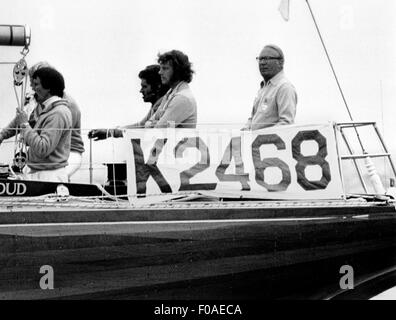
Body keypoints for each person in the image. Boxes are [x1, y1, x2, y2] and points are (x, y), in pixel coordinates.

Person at [0, 61, 84, 181]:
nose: (32, 89)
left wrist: (26, 127)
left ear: (48, 83)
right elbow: (22, 119)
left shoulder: (63, 107)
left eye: (35, 83)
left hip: (69, 151)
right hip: (43, 151)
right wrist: (2, 135)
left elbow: (49, 140)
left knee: (58, 178)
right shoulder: (41, 101)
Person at [13, 67, 72, 182]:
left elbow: (43, 148)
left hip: (49, 176)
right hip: (42, 173)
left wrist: (25, 124)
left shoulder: (58, 113)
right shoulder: (49, 110)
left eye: (36, 84)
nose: (33, 88)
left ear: (48, 88)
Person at [88, 64, 169, 140]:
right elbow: (140, 126)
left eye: (144, 86)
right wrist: (109, 132)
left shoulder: (163, 107)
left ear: (158, 86)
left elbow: (144, 132)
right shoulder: (156, 106)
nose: (141, 91)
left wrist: (110, 133)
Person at [243, 44, 297, 130]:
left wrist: (259, 136)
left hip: (266, 142)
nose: (262, 63)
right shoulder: (264, 88)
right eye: (260, 59)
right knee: (233, 142)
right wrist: (245, 130)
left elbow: (286, 124)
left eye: (267, 59)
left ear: (280, 62)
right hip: (253, 140)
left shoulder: (284, 88)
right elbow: (253, 119)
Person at [145, 50, 197, 128]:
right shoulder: (170, 93)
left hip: (179, 140)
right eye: (160, 68)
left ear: (177, 71)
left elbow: (158, 130)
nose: (160, 72)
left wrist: (154, 123)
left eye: (165, 68)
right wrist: (152, 123)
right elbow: (148, 123)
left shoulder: (182, 98)